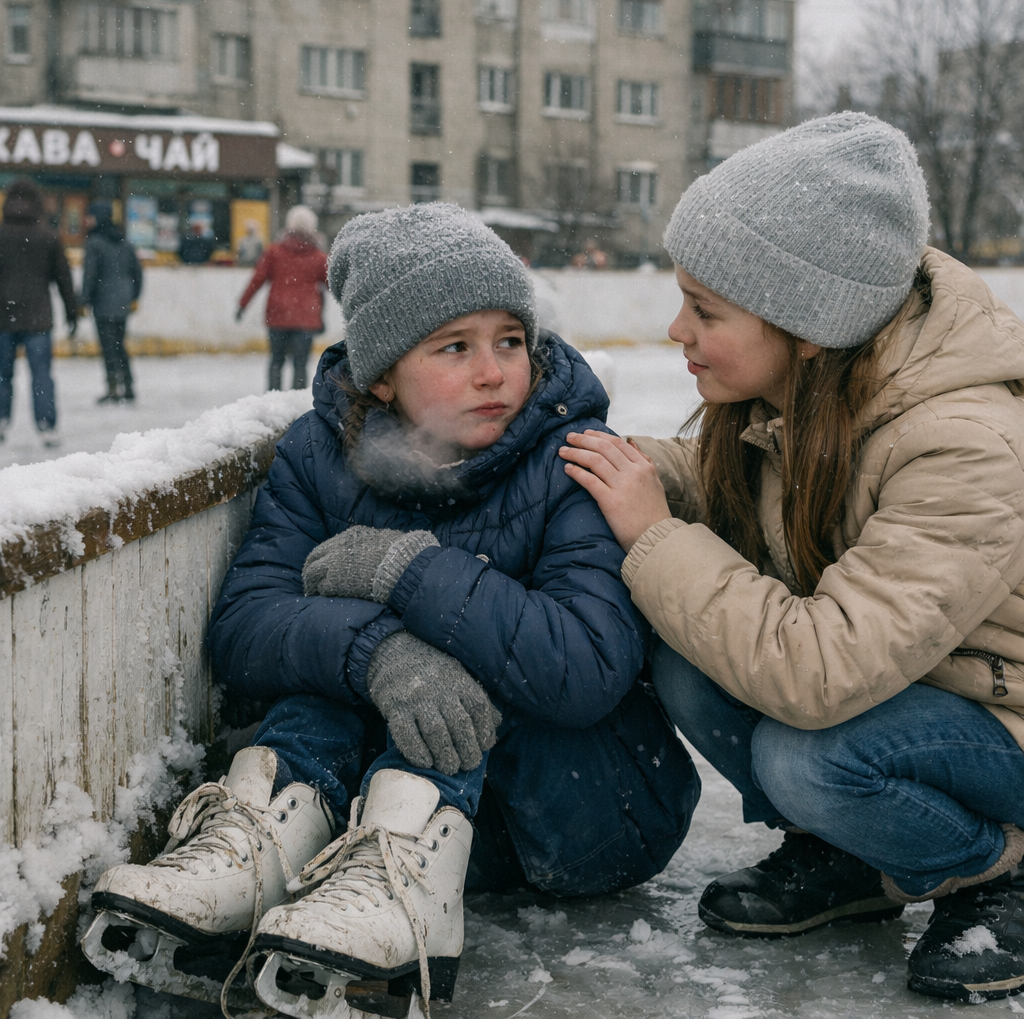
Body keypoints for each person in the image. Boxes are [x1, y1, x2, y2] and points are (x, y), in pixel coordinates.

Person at [84, 204, 698, 1015]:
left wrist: (410, 571)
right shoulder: (318, 454)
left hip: (595, 807)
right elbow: (244, 627)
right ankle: (262, 842)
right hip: (389, 812)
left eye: (509, 341)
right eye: (455, 347)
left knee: (458, 661)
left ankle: (406, 899)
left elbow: (583, 669)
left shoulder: (572, 458)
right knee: (347, 655)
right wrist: (379, 653)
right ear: (380, 375)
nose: (494, 372)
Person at [559, 112, 1024, 1004]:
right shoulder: (817, 382)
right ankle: (851, 857)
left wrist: (653, 537)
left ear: (807, 325)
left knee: (807, 758)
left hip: (1002, 720)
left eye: (706, 310)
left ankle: (995, 870)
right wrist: (580, 463)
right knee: (688, 658)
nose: (675, 330)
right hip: (922, 692)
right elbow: (716, 486)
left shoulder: (965, 445)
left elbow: (819, 671)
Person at [0, 179, 76, 447]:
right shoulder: (48, 236)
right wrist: (72, 312)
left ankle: (0, 421)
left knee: (1, 375)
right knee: (41, 375)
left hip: (3, 317)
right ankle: (47, 427)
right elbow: (63, 279)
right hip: (38, 317)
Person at [236, 205, 328, 391]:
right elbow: (333, 284)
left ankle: (272, 400)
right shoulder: (318, 257)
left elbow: (257, 280)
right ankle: (296, 407)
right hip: (306, 317)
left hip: (278, 315)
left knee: (276, 361)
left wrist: (242, 304)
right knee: (300, 364)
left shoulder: (274, 252)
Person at [80, 201, 144, 405]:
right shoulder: (124, 241)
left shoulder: (94, 242)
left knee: (108, 347)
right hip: (122, 302)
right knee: (119, 344)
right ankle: (128, 385)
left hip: (103, 303)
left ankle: (113, 388)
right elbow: (137, 272)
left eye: (90, 216)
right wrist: (134, 296)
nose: (87, 220)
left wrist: (84, 301)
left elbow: (90, 275)